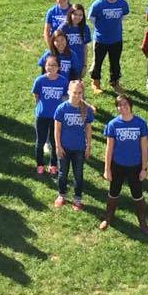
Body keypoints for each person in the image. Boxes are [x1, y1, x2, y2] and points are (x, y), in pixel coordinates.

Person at [100, 94, 148, 233]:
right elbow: (109, 149)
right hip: (118, 165)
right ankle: (108, 217)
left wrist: (144, 168)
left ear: (130, 105)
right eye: (119, 105)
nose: (123, 107)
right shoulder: (113, 124)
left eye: (125, 104)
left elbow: (144, 148)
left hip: (135, 166)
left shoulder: (140, 123)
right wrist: (107, 169)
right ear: (117, 108)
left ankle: (142, 221)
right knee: (113, 192)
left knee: (137, 194)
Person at [53, 80, 94, 210]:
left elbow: (88, 129)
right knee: (62, 173)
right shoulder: (62, 108)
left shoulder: (86, 110)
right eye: (74, 92)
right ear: (68, 92)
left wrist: (88, 146)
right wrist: (58, 146)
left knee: (78, 174)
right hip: (64, 148)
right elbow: (57, 130)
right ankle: (61, 195)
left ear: (83, 94)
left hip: (79, 148)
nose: (76, 95)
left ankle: (77, 199)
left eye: (79, 93)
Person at [88, 0, 129, 94]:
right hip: (101, 39)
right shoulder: (98, 4)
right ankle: (95, 83)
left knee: (115, 62)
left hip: (116, 39)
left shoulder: (122, 3)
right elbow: (92, 19)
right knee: (97, 62)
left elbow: (124, 16)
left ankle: (115, 82)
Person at [31, 55, 67, 176]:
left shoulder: (63, 81)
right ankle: (40, 165)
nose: (51, 67)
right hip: (41, 116)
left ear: (58, 67)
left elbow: (64, 97)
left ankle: (53, 165)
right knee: (40, 141)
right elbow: (36, 95)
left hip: (56, 117)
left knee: (54, 141)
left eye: (54, 65)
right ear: (45, 66)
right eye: (49, 65)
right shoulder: (40, 80)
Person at [60, 3, 91, 73]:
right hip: (65, 61)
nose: (77, 17)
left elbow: (85, 47)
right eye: (75, 14)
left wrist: (85, 65)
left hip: (79, 61)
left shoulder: (85, 28)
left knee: (76, 82)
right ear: (70, 14)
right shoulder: (64, 27)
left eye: (80, 15)